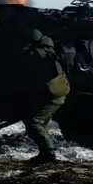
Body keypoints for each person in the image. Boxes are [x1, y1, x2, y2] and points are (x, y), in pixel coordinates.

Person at [21, 28, 70, 163]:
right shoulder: (50, 51)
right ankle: (48, 149)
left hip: (52, 96)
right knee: (42, 123)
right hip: (57, 94)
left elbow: (26, 60)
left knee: (33, 123)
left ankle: (49, 153)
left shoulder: (38, 53)